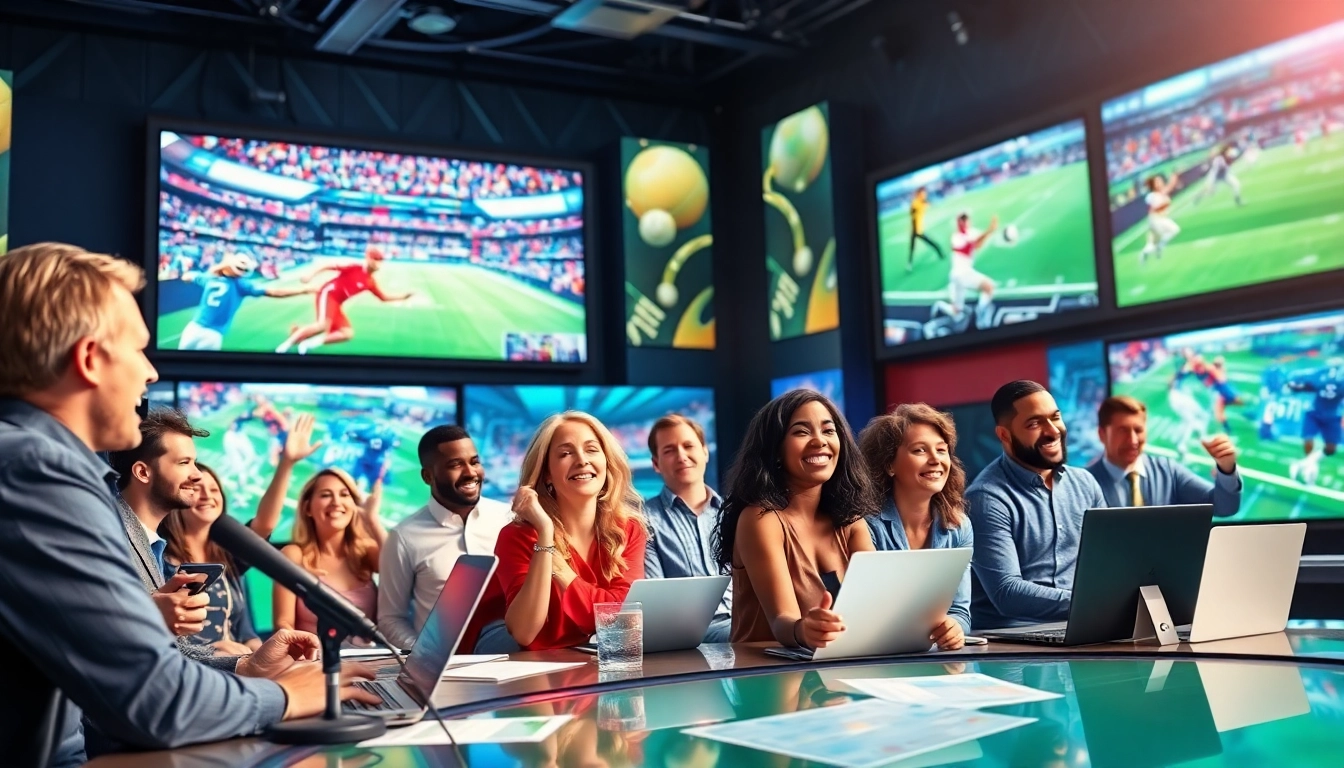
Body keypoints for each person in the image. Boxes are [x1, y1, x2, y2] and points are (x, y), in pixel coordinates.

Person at [0, 243, 376, 767]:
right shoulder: (36, 469)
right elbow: (158, 701)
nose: (150, 373)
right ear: (88, 360)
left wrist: (246, 674)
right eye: (137, 351)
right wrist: (298, 695)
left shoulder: (28, 459)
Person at [714, 390, 878, 649]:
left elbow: (878, 605)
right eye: (801, 432)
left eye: (828, 431)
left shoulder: (851, 521)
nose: (819, 441)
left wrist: (932, 625)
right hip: (764, 676)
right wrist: (804, 629)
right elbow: (781, 622)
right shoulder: (760, 519)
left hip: (837, 668)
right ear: (775, 450)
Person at [493, 411, 647, 651]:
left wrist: (562, 572)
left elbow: (622, 618)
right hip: (534, 664)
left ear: (607, 462)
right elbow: (525, 633)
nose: (582, 460)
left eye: (592, 449)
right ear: (546, 474)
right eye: (566, 453)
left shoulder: (629, 529)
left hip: (593, 660)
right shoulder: (517, 536)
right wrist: (545, 533)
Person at [967, 380, 1106, 630]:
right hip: (1010, 641)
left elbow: (1109, 562)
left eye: (1055, 418)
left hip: (1084, 625)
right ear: (1004, 435)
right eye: (1034, 423)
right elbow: (1007, 593)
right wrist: (1093, 604)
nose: (1052, 431)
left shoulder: (1085, 483)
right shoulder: (985, 498)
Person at [378, 425, 513, 652]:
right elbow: (390, 619)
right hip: (444, 675)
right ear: (427, 476)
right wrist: (424, 655)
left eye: (474, 461)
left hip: (514, 663)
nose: (470, 472)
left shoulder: (509, 519)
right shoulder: (403, 537)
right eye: (455, 464)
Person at [858, 403, 971, 649]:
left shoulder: (960, 526)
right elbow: (870, 615)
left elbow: (961, 611)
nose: (935, 460)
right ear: (889, 465)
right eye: (920, 450)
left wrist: (954, 627)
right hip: (878, 659)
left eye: (942, 450)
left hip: (932, 659)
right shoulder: (866, 526)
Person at [642, 414, 731, 643]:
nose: (681, 456)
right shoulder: (643, 519)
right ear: (655, 464)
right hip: (698, 634)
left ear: (705, 452)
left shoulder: (736, 513)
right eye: (669, 450)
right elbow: (657, 603)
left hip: (751, 623)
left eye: (688, 446)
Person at [161, 462, 263, 654]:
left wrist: (266, 658)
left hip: (239, 669)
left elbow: (248, 635)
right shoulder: (161, 563)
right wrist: (212, 651)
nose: (207, 496)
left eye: (214, 489)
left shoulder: (229, 563)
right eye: (197, 489)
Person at [1085, 396, 1242, 517]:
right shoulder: (1083, 483)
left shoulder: (1167, 471)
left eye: (1138, 430)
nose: (1133, 440)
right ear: (1102, 434)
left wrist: (1227, 469)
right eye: (1123, 431)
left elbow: (1224, 507)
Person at [275, 467, 387, 635]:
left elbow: (400, 570)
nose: (336, 502)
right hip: (314, 659)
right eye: (326, 495)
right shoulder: (294, 555)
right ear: (307, 508)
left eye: (344, 494)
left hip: (369, 658)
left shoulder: (366, 552)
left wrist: (372, 519)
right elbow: (283, 623)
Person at [275, 246, 413, 355]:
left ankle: (308, 344)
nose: (378, 264)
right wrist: (310, 275)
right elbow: (328, 266)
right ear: (368, 258)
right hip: (328, 293)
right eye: (376, 259)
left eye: (380, 261)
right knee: (321, 325)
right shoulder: (355, 268)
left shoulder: (370, 282)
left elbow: (383, 298)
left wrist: (403, 297)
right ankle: (284, 346)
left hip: (337, 303)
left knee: (347, 333)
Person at [177, 250, 314, 350]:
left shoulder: (209, 278)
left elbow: (186, 277)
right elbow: (274, 292)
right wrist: (303, 290)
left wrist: (218, 268)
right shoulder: (241, 284)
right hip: (213, 334)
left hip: (194, 328)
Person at [934, 211, 997, 329]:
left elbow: (978, 244)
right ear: (959, 222)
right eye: (962, 220)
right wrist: (988, 231)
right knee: (989, 287)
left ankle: (940, 306)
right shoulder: (956, 237)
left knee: (957, 310)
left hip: (958, 275)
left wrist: (989, 232)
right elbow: (967, 247)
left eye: (966, 220)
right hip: (961, 274)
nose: (964, 222)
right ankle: (981, 318)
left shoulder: (971, 232)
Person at [1140, 173, 1180, 263]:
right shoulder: (1152, 196)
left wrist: (1174, 177)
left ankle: (1144, 253)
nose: (1160, 182)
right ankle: (1159, 247)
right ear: (1153, 185)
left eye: (1160, 181)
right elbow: (1153, 209)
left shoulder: (1160, 193)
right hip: (1156, 220)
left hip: (1158, 219)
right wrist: (1164, 205)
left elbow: (1169, 187)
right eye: (1157, 182)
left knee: (1152, 244)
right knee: (1174, 230)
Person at [907, 186, 945, 271]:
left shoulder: (922, 201)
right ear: (919, 194)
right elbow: (912, 215)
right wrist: (915, 230)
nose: (924, 194)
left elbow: (928, 203)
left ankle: (909, 264)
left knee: (913, 247)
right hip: (916, 230)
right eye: (923, 193)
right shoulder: (915, 203)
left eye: (925, 193)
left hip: (918, 230)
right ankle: (909, 264)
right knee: (913, 247)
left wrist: (933, 204)